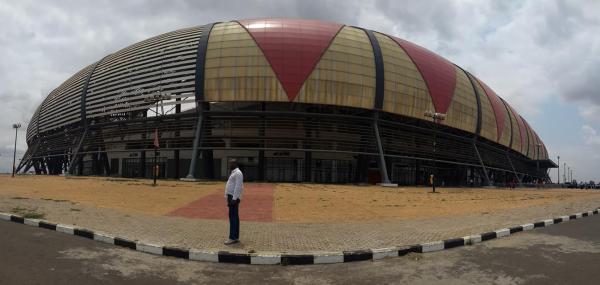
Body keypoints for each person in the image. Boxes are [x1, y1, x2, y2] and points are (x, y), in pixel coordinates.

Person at [224, 159, 243, 245]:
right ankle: (235, 237)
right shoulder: (234, 172)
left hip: (233, 197)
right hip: (231, 196)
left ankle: (232, 238)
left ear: (235, 164)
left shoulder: (238, 173)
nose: (229, 165)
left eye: (231, 163)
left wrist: (234, 199)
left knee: (233, 217)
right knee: (234, 216)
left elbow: (238, 186)